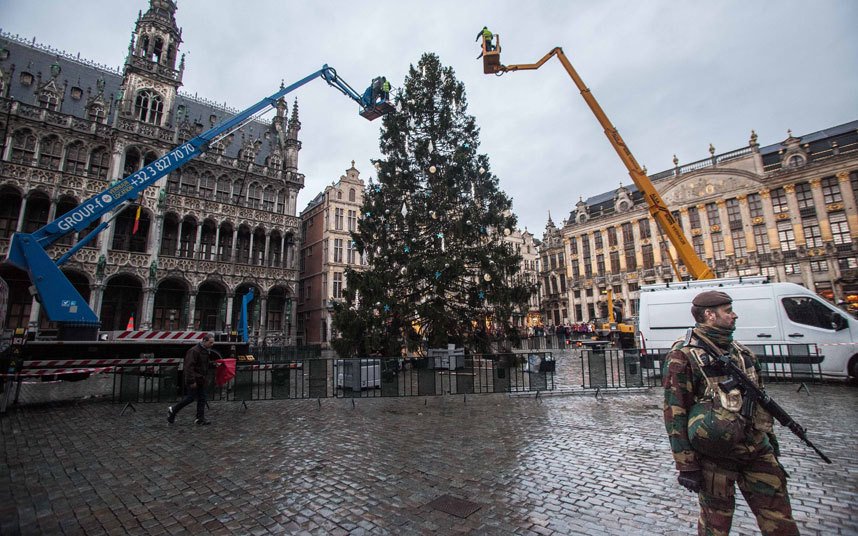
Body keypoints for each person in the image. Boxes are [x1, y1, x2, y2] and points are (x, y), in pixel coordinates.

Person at [662, 291, 798, 535]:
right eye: (728, 311)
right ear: (709, 315)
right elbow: (675, 410)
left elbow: (761, 403)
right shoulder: (683, 354)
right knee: (716, 525)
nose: (734, 315)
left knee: (780, 520)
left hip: (756, 449)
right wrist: (686, 464)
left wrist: (771, 443)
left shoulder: (742, 353)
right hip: (716, 455)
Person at [167, 333, 217, 425]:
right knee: (190, 398)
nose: (212, 345)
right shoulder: (194, 351)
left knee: (202, 398)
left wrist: (213, 365)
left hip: (201, 379)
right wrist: (191, 381)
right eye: (210, 342)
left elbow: (203, 364)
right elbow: (189, 367)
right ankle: (173, 409)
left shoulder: (205, 351)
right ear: (204, 341)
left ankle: (200, 418)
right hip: (195, 379)